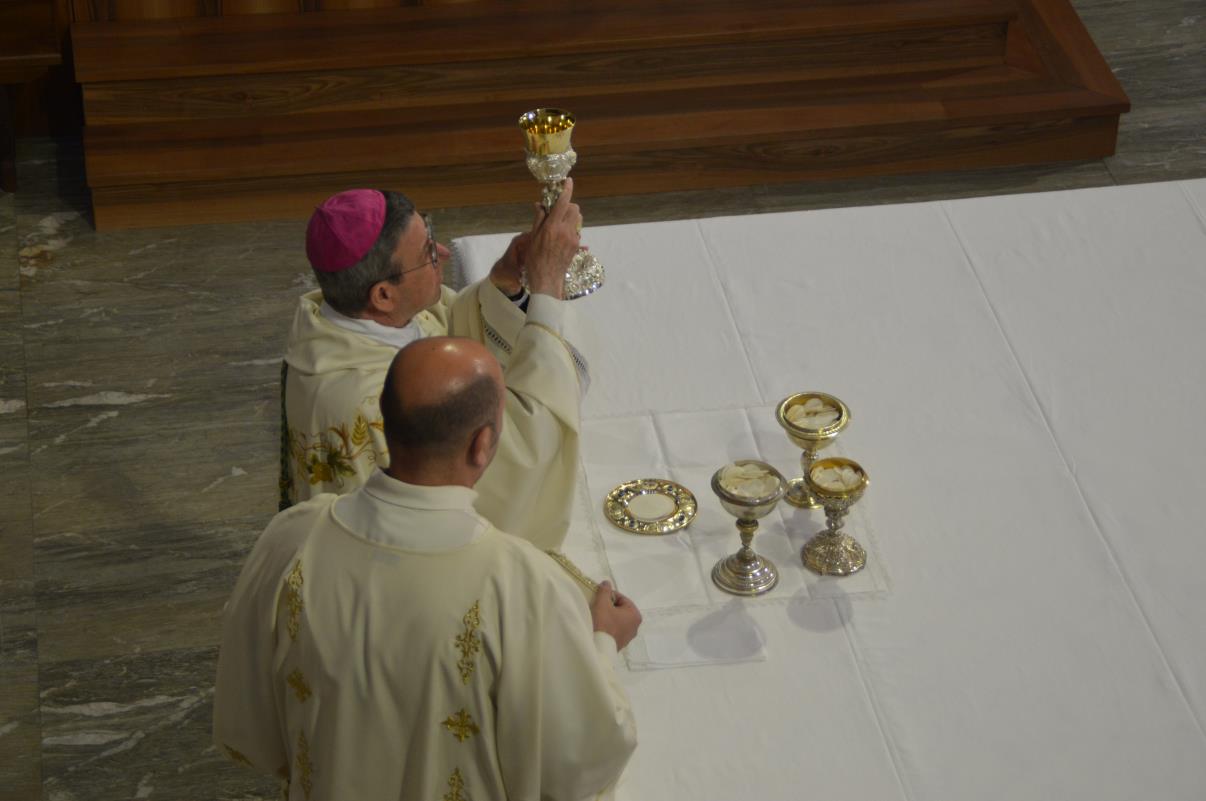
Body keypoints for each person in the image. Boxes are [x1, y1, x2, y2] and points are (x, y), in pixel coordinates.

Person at [216, 336, 640, 801]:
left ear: (386, 418)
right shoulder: (523, 585)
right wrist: (603, 642)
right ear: (483, 444)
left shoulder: (293, 539)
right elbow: (579, 762)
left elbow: (249, 721)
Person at [282, 181, 590, 550]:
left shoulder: (356, 321)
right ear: (382, 294)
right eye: (427, 253)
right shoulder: (367, 404)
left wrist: (503, 282)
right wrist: (546, 288)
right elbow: (511, 462)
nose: (443, 253)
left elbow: (447, 330)